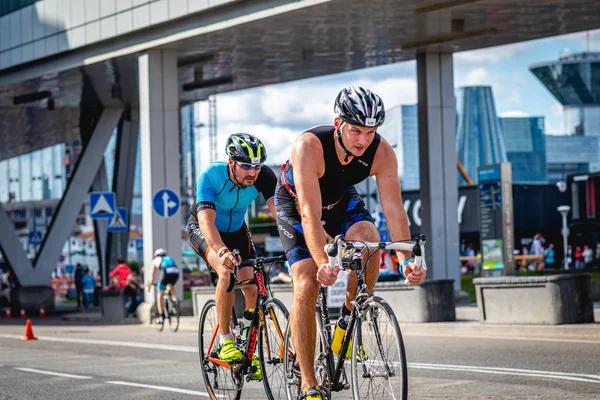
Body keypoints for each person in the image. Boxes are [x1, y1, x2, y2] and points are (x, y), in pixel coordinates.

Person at [274, 86, 427, 400]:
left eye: (370, 133)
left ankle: (348, 316)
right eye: (355, 131)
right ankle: (308, 383)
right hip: (297, 206)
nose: (362, 141)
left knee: (369, 239)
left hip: (341, 201)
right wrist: (323, 264)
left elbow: (395, 210)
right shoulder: (309, 147)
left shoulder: (381, 152)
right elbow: (309, 214)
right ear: (337, 123)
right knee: (306, 281)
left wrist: (405, 258)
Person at [185, 133, 277, 381]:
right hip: (205, 230)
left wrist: (300, 241)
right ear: (231, 162)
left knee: (253, 289)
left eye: (257, 166)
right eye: (246, 166)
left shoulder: (265, 176)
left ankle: (246, 343)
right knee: (225, 272)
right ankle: (225, 339)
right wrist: (221, 251)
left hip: (237, 231)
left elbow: (280, 213)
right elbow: (206, 221)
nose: (252, 172)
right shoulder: (211, 176)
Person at [147, 248, 180, 324]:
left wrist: (150, 284)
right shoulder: (169, 258)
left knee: (160, 293)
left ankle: (161, 316)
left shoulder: (155, 260)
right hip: (175, 271)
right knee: (170, 285)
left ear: (156, 255)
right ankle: (174, 301)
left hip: (166, 272)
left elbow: (153, 276)